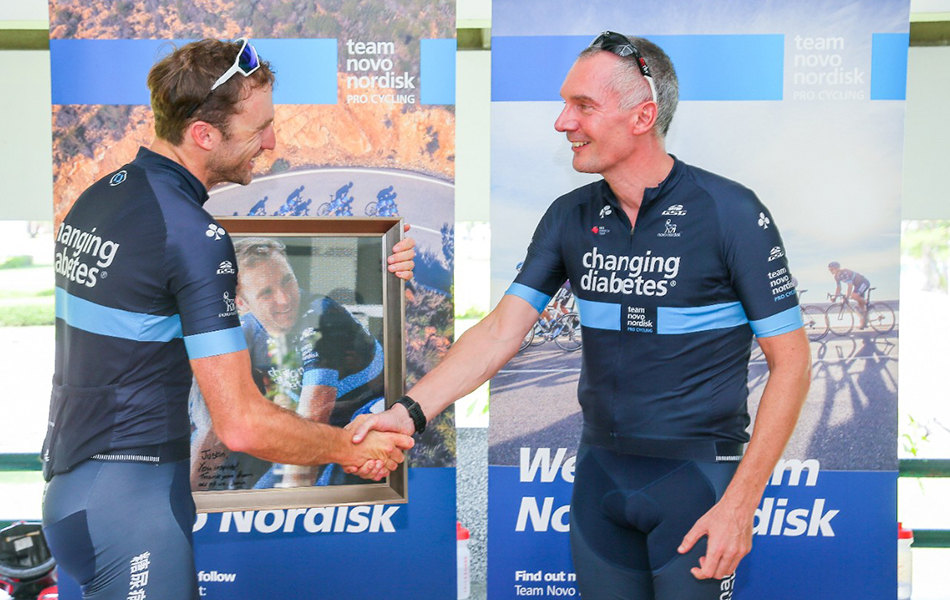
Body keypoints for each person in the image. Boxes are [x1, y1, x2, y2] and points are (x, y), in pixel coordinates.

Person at [349, 32, 812, 600]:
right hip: (600, 476)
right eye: (565, 103)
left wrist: (742, 504)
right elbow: (500, 332)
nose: (562, 122)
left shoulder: (730, 212)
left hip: (698, 481)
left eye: (583, 106)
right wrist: (409, 413)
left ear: (643, 116)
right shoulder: (570, 215)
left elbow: (791, 364)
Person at [41, 38, 416, 600]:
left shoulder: (102, 199)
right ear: (204, 135)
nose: (271, 142)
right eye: (259, 128)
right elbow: (241, 423)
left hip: (77, 491)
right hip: (131, 505)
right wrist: (349, 448)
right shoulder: (193, 234)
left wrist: (384, 266)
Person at [190, 237, 387, 489]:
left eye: (287, 280)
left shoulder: (322, 316)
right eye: (266, 293)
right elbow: (213, 426)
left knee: (283, 497)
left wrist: (287, 510)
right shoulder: (244, 330)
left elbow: (313, 420)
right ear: (241, 303)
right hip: (312, 424)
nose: (284, 299)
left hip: (360, 420)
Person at [827, 261, 871, 328]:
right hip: (857, 285)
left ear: (837, 268)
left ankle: (868, 304)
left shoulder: (845, 272)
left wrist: (847, 297)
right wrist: (835, 297)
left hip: (863, 282)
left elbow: (850, 285)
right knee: (860, 306)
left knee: (853, 296)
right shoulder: (836, 277)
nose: (830, 271)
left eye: (832, 269)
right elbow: (838, 288)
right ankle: (864, 322)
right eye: (829, 269)